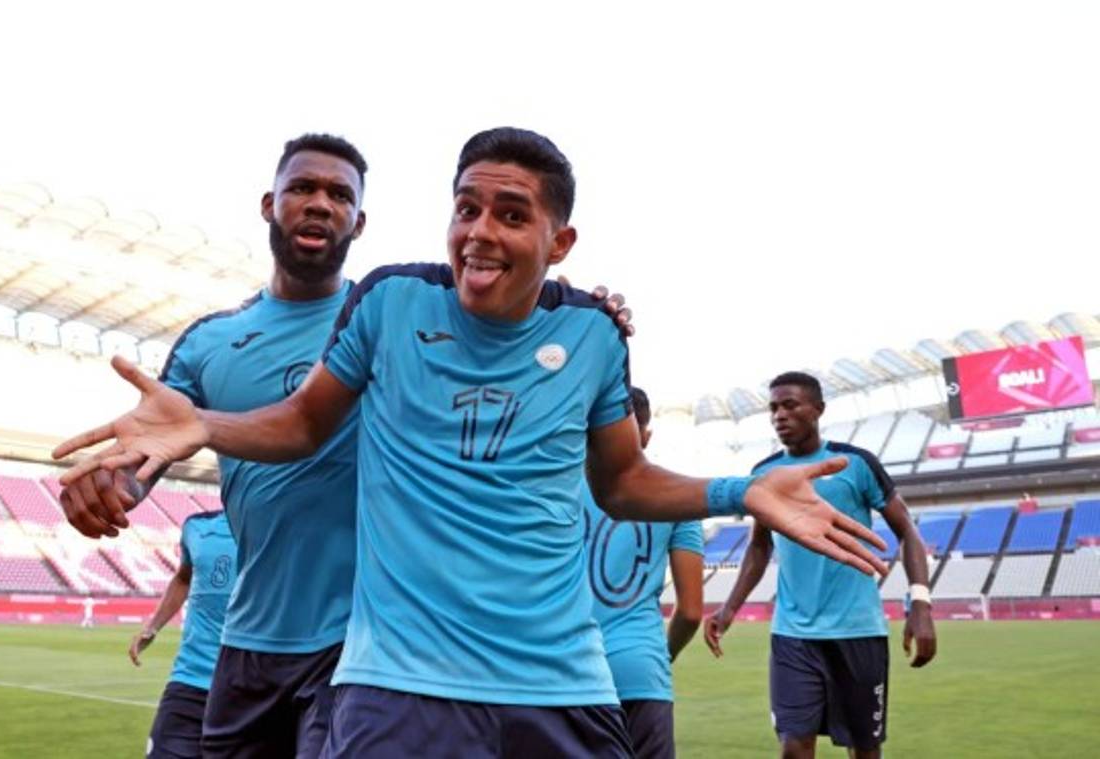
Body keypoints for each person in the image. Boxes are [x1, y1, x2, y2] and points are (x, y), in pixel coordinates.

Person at [55, 127, 887, 757]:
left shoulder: (592, 332)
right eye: (467, 208)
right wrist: (199, 426)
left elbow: (621, 480)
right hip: (387, 681)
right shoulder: (386, 306)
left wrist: (736, 491)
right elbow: (303, 423)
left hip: (559, 684)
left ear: (558, 242)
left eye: (512, 215)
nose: (481, 230)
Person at [56, 132, 632, 758]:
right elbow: (159, 445)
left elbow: (510, 332)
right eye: (302, 188)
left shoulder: (399, 320)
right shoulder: (207, 342)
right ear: (268, 203)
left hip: (359, 646)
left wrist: (571, 302)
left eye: (339, 195)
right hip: (249, 633)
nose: (320, 204)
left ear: (360, 222)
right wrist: (111, 488)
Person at [703, 371, 937, 759]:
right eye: (774, 407)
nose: (780, 414)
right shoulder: (764, 474)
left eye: (790, 405)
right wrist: (728, 609)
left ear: (818, 410)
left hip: (857, 631)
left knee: (864, 750)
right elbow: (759, 548)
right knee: (794, 749)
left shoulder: (856, 463)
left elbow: (908, 532)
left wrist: (922, 605)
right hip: (793, 634)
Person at [582, 386, 704, 759]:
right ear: (645, 437)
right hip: (640, 672)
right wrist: (659, 655)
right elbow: (690, 612)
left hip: (568, 673)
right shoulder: (681, 498)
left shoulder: (549, 493)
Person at [134, 510, 236, 759]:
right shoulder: (196, 526)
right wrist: (153, 626)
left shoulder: (281, 526)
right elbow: (183, 578)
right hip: (190, 681)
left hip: (250, 691)